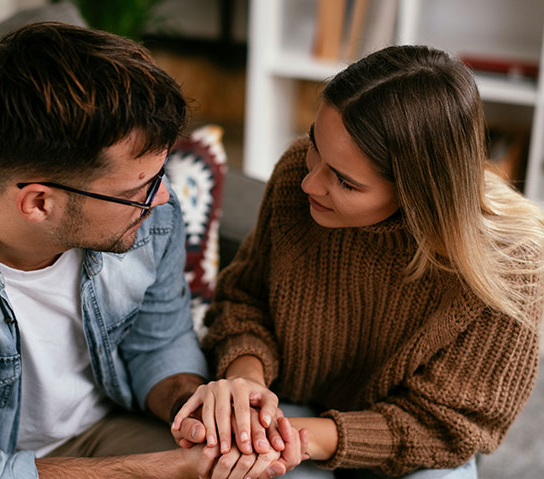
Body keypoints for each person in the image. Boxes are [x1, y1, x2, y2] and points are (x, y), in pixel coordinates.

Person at [0, 23, 306, 478]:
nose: (162, 198)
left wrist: (198, 406)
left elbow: (158, 344)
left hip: (108, 431)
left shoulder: (149, 214)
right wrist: (176, 468)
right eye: (138, 189)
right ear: (39, 203)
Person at [173, 45, 544, 478]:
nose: (310, 182)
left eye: (345, 182)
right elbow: (246, 299)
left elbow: (449, 425)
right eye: (315, 143)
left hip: (409, 444)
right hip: (284, 404)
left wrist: (303, 437)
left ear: (417, 193)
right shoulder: (298, 174)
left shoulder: (513, 265)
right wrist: (246, 385)